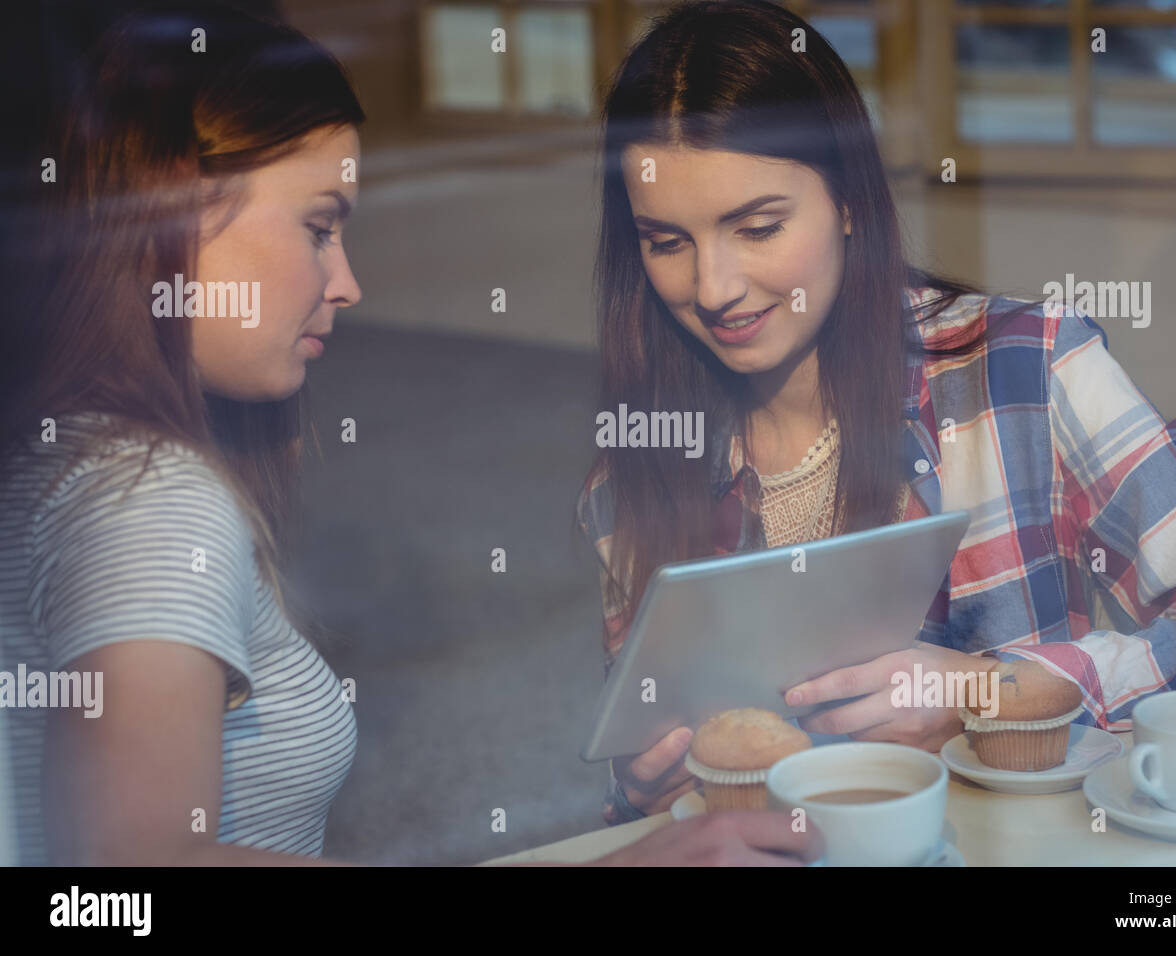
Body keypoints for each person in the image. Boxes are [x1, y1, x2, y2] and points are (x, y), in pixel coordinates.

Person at [0, 2, 820, 867]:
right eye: (319, 226)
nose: (347, 282)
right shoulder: (150, 498)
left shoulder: (66, 456)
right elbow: (127, 880)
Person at [577, 0, 1176, 824]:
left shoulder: (1024, 369)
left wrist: (995, 690)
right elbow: (640, 790)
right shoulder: (631, 473)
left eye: (759, 226)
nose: (713, 288)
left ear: (849, 199)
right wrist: (635, 791)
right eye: (666, 242)